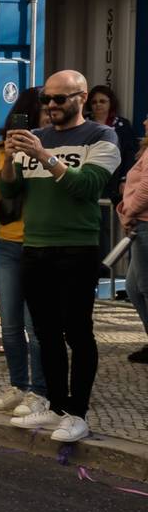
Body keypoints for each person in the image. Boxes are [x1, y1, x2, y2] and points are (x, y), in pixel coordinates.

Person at [1, 70, 122, 442]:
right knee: (46, 332)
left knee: (78, 332)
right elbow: (8, 190)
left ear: (81, 98)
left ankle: (78, 412)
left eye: (60, 99)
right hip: (35, 246)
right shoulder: (36, 137)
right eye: (46, 100)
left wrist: (43, 156)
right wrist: (9, 159)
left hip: (77, 247)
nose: (51, 106)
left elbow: (85, 188)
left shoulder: (102, 136)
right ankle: (55, 408)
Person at [0, 87, 49, 418]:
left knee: (35, 324)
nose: (51, 112)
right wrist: (10, 155)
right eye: (46, 107)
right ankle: (18, 385)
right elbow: (0, 188)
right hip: (9, 241)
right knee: (9, 323)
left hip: (40, 242)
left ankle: (40, 391)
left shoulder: (53, 148)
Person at [119, 129, 148, 362]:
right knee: (133, 287)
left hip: (144, 223)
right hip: (141, 223)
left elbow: (146, 189)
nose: (146, 121)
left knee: (145, 287)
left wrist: (128, 213)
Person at [88, 84, 138, 202]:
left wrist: (124, 179)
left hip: (114, 182)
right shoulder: (84, 123)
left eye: (102, 101)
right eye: (94, 102)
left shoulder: (122, 125)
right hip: (89, 179)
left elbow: (129, 154)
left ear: (111, 103)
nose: (98, 104)